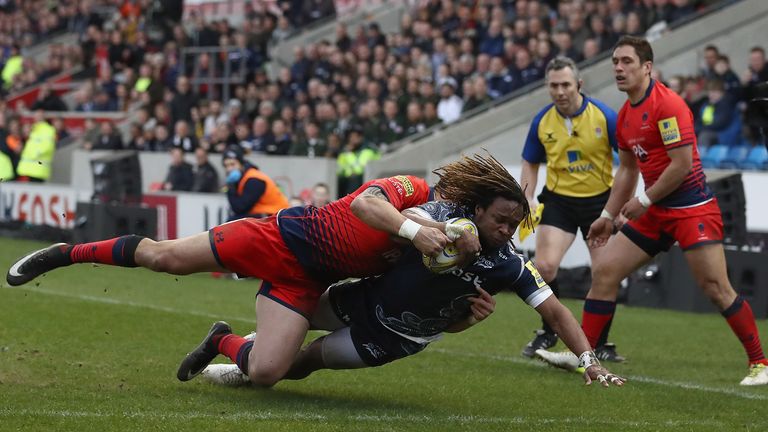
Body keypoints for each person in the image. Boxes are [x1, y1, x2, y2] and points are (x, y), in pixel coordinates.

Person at [7, 157, 484, 387]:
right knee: (164, 258)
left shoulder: (441, 247)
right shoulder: (411, 189)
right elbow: (365, 203)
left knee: (267, 373)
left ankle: (221, 340)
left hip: (304, 281)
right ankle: (65, 253)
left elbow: (424, 304)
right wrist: (413, 228)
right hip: (277, 238)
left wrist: (464, 315)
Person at [192, 155, 625, 388]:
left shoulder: (509, 264)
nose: (507, 230)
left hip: (395, 337)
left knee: (300, 365)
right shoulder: (442, 214)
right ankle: (243, 352)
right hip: (361, 296)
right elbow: (399, 220)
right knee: (278, 352)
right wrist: (435, 232)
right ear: (477, 209)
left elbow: (555, 312)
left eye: (514, 224)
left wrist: (589, 361)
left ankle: (228, 346)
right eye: (500, 220)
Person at [536, 36, 768, 386]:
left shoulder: (668, 104)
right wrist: (608, 216)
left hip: (691, 209)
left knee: (716, 287)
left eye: (627, 61)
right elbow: (628, 171)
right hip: (657, 211)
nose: (618, 67)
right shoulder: (626, 114)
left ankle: (760, 363)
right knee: (606, 272)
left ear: (647, 67)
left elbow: (682, 164)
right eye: (615, 61)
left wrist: (643, 202)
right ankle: (583, 352)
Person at [519, 56, 623, 362]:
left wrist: (619, 205)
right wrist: (528, 197)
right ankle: (550, 329)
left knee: (605, 274)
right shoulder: (542, 120)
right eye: (554, 85)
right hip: (559, 202)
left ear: (579, 84)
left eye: (565, 84)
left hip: (599, 203)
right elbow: (530, 161)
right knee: (545, 267)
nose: (560, 91)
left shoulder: (604, 116)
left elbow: (629, 162)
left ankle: (601, 342)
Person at [221, 145, 289, 220]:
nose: (229, 169)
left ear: (241, 164)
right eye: (226, 166)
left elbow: (240, 208)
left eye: (233, 164)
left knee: (232, 222)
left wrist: (230, 187)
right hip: (268, 215)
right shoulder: (243, 178)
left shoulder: (254, 179)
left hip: (277, 217)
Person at [16, 110, 56, 183]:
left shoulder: (48, 130)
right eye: (36, 116)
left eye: (39, 116)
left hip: (38, 169)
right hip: (26, 168)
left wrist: (35, 154)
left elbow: (48, 146)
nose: (37, 118)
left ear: (43, 117)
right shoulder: (33, 128)